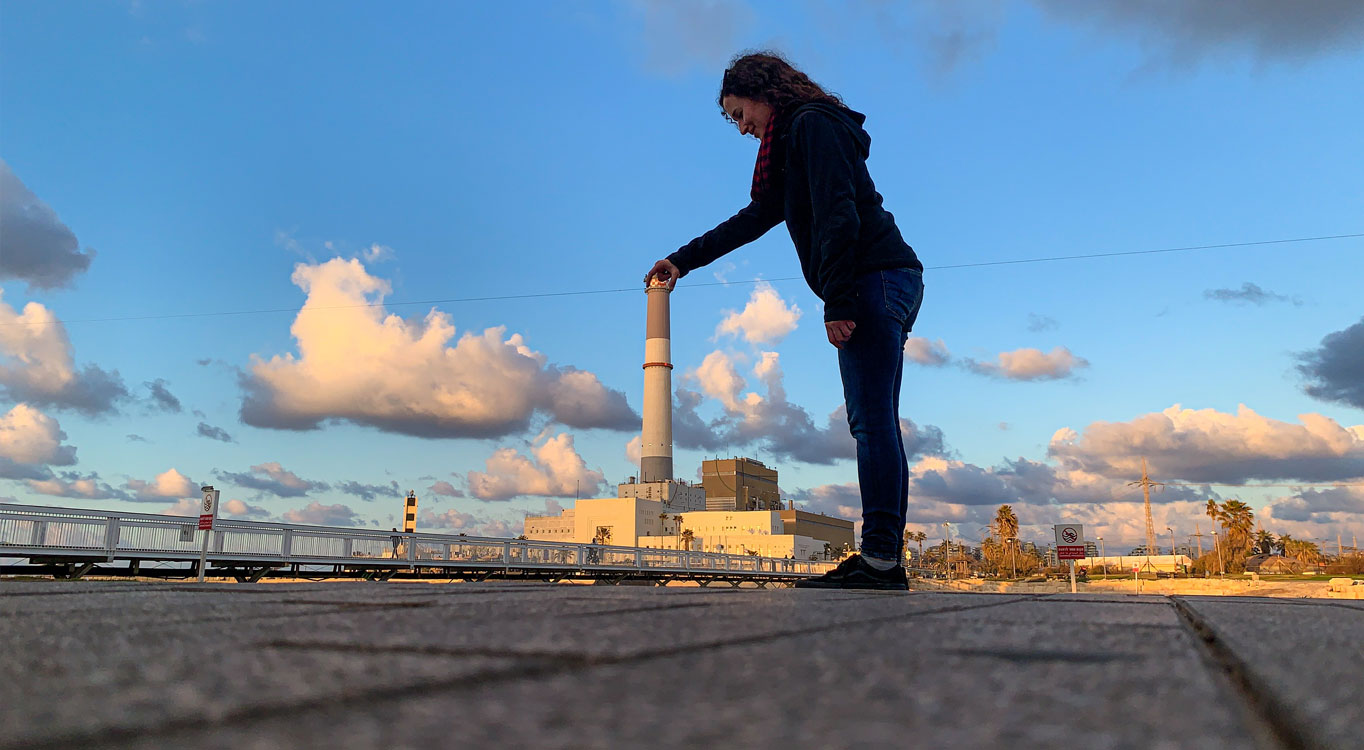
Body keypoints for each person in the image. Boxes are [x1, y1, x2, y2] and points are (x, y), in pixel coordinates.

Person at [645, 52, 923, 591]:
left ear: (763, 91)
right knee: (878, 421)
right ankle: (883, 555)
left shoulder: (812, 126)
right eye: (733, 120)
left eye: (740, 112)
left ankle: (883, 562)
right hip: (884, 277)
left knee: (871, 423)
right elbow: (753, 219)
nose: (742, 126)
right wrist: (683, 259)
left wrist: (839, 302)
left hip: (871, 278)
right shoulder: (793, 144)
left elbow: (840, 211)